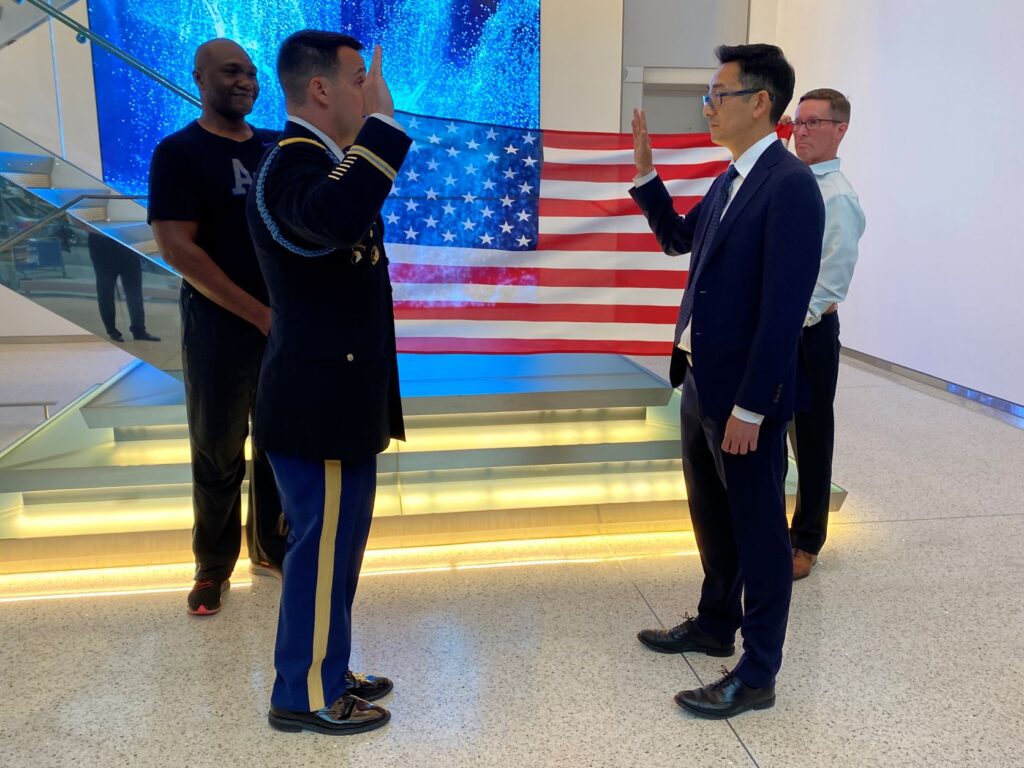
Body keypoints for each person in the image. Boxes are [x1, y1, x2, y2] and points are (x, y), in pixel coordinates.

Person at [630, 44, 825, 719]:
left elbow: (783, 312)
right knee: (713, 516)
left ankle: (759, 670)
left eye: (718, 93)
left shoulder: (789, 186)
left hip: (744, 398)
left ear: (761, 102)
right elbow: (679, 241)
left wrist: (754, 406)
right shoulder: (730, 179)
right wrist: (649, 179)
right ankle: (716, 622)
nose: (707, 106)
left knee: (761, 534)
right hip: (701, 383)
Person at [245, 31, 409, 735]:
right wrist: (386, 129)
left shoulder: (324, 165)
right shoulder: (291, 166)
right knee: (319, 554)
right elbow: (336, 221)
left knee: (338, 552)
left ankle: (327, 665)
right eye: (357, 81)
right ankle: (304, 694)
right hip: (318, 410)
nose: (367, 94)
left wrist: (370, 136)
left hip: (339, 402)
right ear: (322, 90)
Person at [148, 38, 286, 616]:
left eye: (252, 73)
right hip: (219, 327)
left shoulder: (282, 148)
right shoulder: (178, 152)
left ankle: (273, 548)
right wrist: (257, 313)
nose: (245, 81)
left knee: (282, 446)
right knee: (217, 449)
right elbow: (179, 248)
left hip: (285, 328)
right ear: (199, 78)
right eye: (231, 71)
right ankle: (212, 567)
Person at [785, 89, 866, 579]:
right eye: (799, 122)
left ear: (841, 129)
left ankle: (807, 541)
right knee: (769, 432)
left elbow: (830, 281)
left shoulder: (837, 197)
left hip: (808, 333)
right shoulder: (789, 184)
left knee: (810, 438)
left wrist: (783, 324)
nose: (803, 131)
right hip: (776, 327)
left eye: (815, 123)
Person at [86, 232, 160, 343]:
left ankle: (139, 330)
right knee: (106, 289)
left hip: (126, 241)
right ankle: (111, 330)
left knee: (134, 289)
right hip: (102, 243)